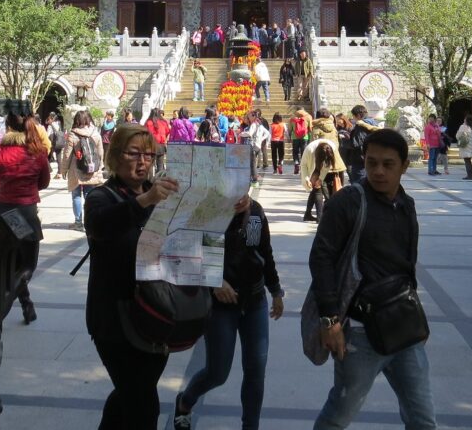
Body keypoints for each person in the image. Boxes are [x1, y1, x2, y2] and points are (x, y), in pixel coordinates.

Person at [309, 129, 436, 429]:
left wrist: (416, 315)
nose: (378, 171)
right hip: (360, 333)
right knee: (338, 417)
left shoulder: (407, 205)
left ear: (405, 166)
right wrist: (329, 321)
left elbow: (407, 265)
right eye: (371, 162)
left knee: (422, 418)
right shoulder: (349, 202)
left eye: (388, 164)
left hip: (404, 329)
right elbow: (321, 258)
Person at [84, 124, 180, 430]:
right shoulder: (101, 196)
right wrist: (146, 200)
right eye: (134, 153)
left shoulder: (161, 195)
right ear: (115, 156)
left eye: (149, 155)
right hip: (114, 319)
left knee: (131, 394)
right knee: (142, 404)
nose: (143, 161)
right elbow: (101, 226)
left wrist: (236, 210)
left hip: (155, 317)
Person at [173, 197, 284, 430]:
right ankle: (185, 401)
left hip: (255, 302)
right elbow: (185, 253)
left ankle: (250, 426)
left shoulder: (256, 212)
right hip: (221, 307)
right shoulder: (207, 211)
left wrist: (275, 290)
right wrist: (213, 281)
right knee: (217, 373)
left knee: (256, 371)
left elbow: (265, 252)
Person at [0, 113, 51, 323]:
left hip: (3, 214)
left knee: (8, 264)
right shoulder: (38, 153)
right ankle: (1, 310)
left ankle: (26, 305)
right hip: (26, 215)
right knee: (26, 267)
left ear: (8, 127)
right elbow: (44, 183)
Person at [60, 110, 105, 231]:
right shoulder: (95, 133)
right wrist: (99, 166)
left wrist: (63, 170)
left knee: (76, 195)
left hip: (77, 169)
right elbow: (100, 152)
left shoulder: (73, 134)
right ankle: (90, 220)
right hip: (92, 169)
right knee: (89, 195)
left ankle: (78, 222)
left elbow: (67, 155)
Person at [301, 137, 344, 222]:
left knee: (317, 188)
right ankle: (319, 218)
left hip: (329, 170)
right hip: (314, 167)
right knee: (317, 190)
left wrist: (320, 179)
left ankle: (311, 215)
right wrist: (306, 178)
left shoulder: (332, 148)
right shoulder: (309, 149)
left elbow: (327, 166)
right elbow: (303, 165)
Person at [145, 108, 170, 176]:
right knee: (160, 166)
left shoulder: (148, 122)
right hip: (161, 146)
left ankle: (149, 182)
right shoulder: (164, 122)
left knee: (150, 165)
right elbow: (168, 131)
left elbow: (145, 133)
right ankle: (159, 182)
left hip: (151, 146)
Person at [456, 114, 472, 180]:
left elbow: (457, 136)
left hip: (466, 146)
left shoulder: (463, 127)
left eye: (465, 119)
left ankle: (470, 175)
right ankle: (470, 175)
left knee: (467, 161)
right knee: (468, 161)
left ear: (466, 120)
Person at [290, 107, 312, 174]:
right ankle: (303, 168)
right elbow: (310, 128)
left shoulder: (293, 118)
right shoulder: (308, 117)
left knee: (295, 152)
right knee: (304, 152)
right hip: (305, 137)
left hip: (295, 137)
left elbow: (290, 128)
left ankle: (296, 163)